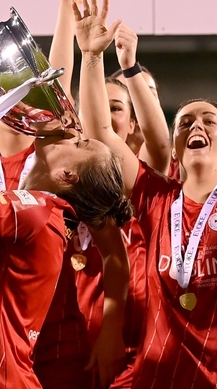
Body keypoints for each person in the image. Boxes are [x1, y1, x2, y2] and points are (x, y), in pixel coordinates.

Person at [76, 0, 217, 388]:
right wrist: (91, 57)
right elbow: (100, 136)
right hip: (162, 378)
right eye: (185, 122)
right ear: (175, 149)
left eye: (208, 120)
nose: (196, 125)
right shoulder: (155, 197)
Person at [0, 122, 132, 388]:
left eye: (78, 144)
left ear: (67, 175)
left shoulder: (34, 211)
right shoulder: (38, 211)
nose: (71, 137)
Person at [72, 23, 169, 388]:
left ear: (131, 125)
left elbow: (156, 146)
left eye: (117, 108)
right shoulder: (66, 179)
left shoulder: (141, 180)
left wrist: (121, 66)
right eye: (102, 107)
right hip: (73, 336)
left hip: (137, 337)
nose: (107, 116)